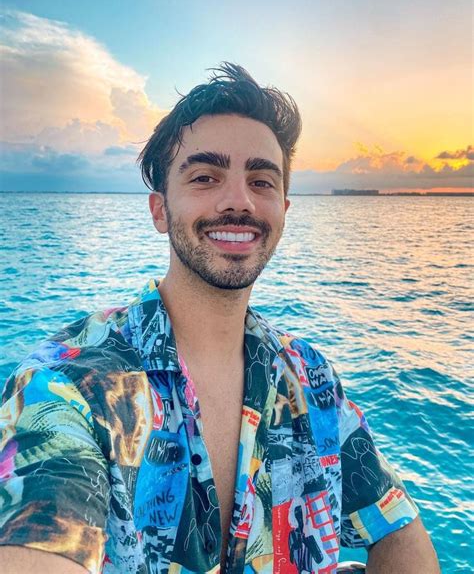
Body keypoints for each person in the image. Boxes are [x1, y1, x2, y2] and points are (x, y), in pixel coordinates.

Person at [0, 63, 439, 574]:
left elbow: (398, 530)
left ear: (283, 209)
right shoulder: (68, 385)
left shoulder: (310, 377)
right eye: (206, 177)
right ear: (160, 210)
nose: (239, 201)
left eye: (261, 180)